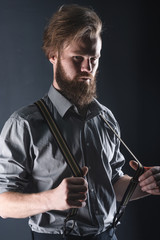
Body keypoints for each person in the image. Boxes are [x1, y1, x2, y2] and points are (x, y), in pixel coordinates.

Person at [0, 4, 160, 240]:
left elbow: (113, 184)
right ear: (53, 55)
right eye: (77, 58)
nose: (88, 69)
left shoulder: (105, 118)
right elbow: (3, 204)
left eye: (93, 59)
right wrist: (51, 199)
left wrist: (147, 184)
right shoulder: (24, 124)